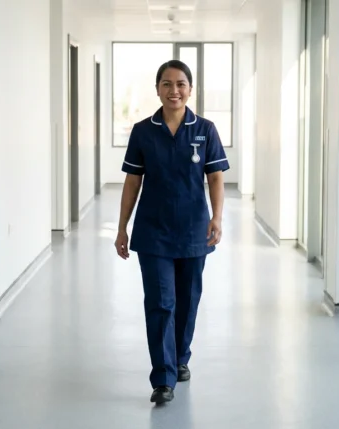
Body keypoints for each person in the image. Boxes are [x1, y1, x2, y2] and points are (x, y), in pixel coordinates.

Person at [114, 59, 230, 404]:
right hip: (153, 232)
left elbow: (216, 177)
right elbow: (132, 181)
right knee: (161, 302)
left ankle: (180, 357)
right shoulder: (143, 131)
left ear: (190, 89)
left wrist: (218, 218)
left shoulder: (205, 129)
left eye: (180, 84)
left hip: (195, 230)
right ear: (157, 89)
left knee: (187, 300)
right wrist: (122, 227)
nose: (174, 90)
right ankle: (163, 377)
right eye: (166, 84)